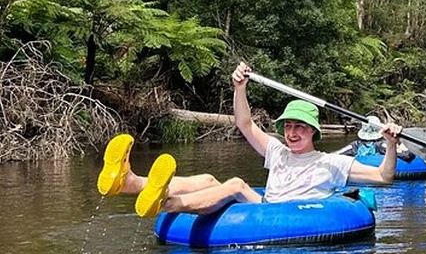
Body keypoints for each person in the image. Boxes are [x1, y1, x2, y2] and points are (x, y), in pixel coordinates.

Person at [96, 62, 403, 218]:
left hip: (285, 213)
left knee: (237, 184)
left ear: (313, 131)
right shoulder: (278, 151)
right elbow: (244, 123)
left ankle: (167, 205)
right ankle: (130, 182)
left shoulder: (332, 162)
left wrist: (390, 144)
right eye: (288, 126)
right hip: (266, 206)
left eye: (300, 127)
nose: (292, 133)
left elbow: (383, 176)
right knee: (207, 179)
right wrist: (239, 87)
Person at [335, 118, 416, 163]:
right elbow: (406, 155)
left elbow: (334, 155)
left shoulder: (355, 145)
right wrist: (402, 144)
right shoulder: (381, 145)